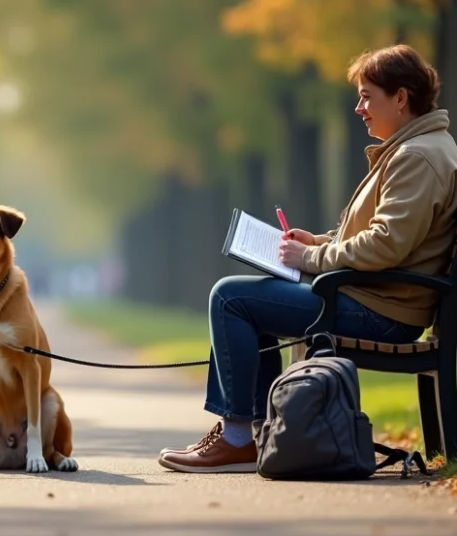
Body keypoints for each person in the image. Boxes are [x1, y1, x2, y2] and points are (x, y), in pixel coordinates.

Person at [159, 44, 457, 473]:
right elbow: (386, 237)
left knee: (230, 298)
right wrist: (315, 241)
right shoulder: (419, 148)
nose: (358, 108)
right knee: (245, 302)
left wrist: (312, 256)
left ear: (401, 97)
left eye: (366, 96)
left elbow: (386, 245)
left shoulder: (418, 157)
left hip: (382, 311)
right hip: (376, 297)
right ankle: (257, 434)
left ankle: (238, 437)